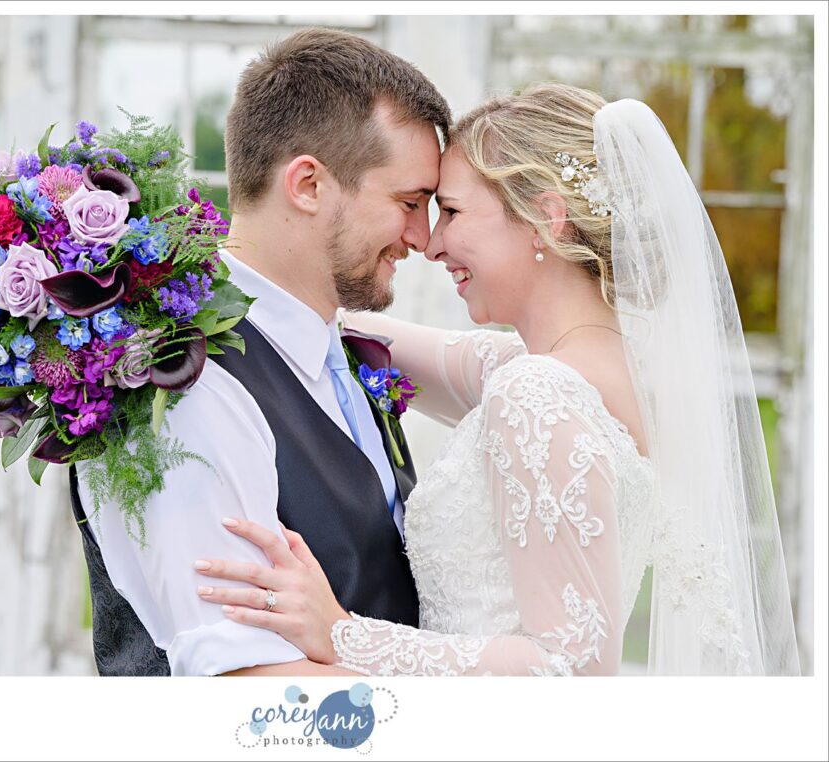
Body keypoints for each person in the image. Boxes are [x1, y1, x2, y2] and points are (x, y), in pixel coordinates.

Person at [195, 83, 802, 676]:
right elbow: (340, 328)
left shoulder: (535, 393)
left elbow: (571, 666)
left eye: (452, 211)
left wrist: (344, 636)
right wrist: (168, 280)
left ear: (548, 217)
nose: (431, 244)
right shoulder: (604, 370)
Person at [69, 27, 451, 676]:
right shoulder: (184, 393)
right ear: (307, 185)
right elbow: (253, 693)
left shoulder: (337, 348)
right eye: (409, 202)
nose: (423, 236)